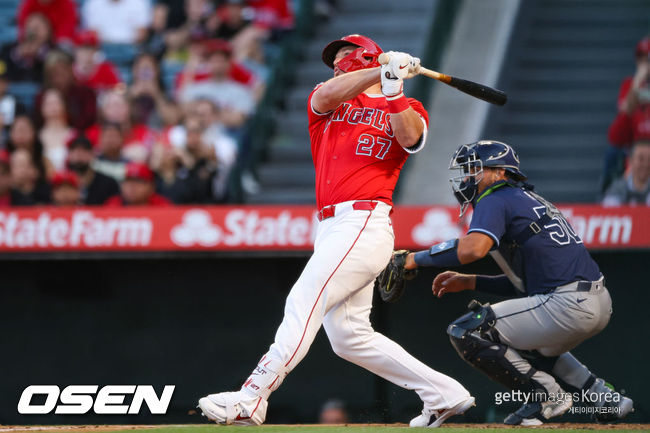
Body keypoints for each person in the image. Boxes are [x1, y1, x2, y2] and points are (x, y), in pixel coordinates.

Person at [197, 34, 474, 427]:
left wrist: (392, 86)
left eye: (345, 55)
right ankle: (444, 394)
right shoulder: (334, 100)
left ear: (365, 55)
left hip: (364, 221)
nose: (337, 63)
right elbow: (325, 96)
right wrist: (381, 70)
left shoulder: (410, 106)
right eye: (334, 59)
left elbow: (410, 137)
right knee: (349, 338)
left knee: (303, 300)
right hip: (331, 227)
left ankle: (251, 397)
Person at [399, 140, 634, 425]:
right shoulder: (525, 199)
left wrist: (415, 259)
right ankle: (604, 397)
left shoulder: (496, 197)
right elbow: (527, 285)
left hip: (567, 304)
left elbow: (473, 248)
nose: (468, 177)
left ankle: (547, 396)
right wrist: (472, 281)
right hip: (594, 301)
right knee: (525, 343)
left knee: (466, 330)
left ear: (500, 173)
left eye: (475, 169)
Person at [604, 36, 650, 192]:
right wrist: (638, 81)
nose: (645, 64)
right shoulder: (629, 84)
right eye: (641, 58)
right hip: (634, 152)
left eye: (647, 59)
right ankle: (605, 200)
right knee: (612, 152)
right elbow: (625, 113)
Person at [66, 134, 119, 205]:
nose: (79, 154)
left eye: (84, 150)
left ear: (93, 154)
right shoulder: (61, 185)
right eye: (74, 150)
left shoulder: (108, 183)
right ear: (69, 155)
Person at [602, 140, 650, 206]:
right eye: (641, 159)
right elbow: (608, 211)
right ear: (630, 161)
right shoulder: (617, 188)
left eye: (649, 159)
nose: (646, 164)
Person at [104, 162, 171, 206]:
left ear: (152, 187)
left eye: (138, 181)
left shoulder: (162, 206)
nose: (132, 186)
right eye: (128, 181)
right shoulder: (112, 205)